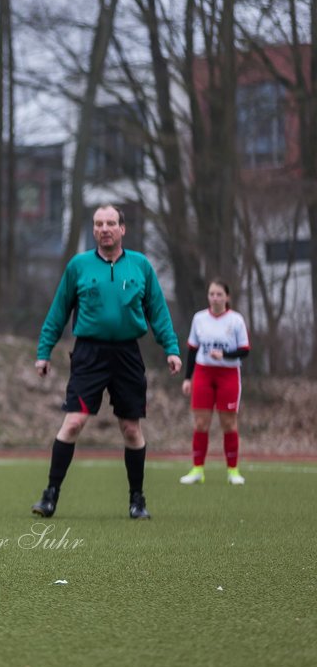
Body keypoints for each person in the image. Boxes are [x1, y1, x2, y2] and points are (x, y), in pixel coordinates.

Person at [30, 204, 182, 520]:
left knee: (130, 428)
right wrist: (44, 352)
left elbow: (158, 310)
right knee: (74, 422)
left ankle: (137, 500)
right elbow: (58, 312)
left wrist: (171, 348)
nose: (104, 229)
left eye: (111, 223)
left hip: (127, 354)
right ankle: (50, 495)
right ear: (94, 230)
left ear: (122, 229)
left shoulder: (140, 266)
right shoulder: (79, 266)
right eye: (99, 224)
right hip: (89, 355)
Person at [179, 280, 250, 485]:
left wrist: (225, 354)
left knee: (228, 423)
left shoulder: (235, 320)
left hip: (228, 374)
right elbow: (192, 349)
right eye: (212, 294)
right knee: (201, 422)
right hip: (203, 373)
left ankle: (233, 471)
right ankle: (197, 469)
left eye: (219, 294)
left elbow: (245, 350)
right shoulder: (199, 318)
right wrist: (187, 378)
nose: (215, 298)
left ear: (227, 297)